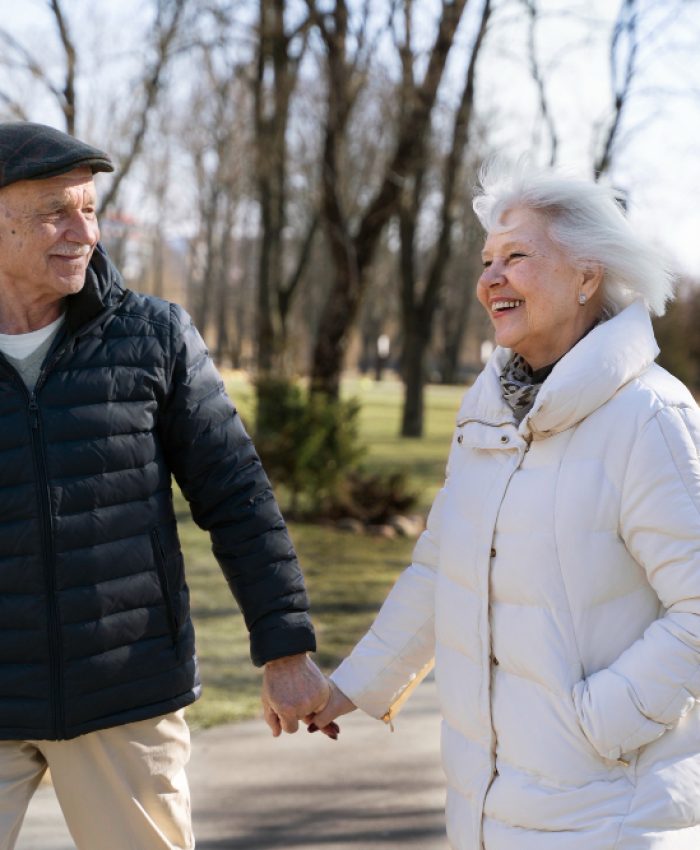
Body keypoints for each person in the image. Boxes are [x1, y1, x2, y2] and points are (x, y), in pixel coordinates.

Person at [309, 162, 700, 849]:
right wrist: (354, 685)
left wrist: (596, 722)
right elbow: (442, 568)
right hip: (488, 811)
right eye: (487, 259)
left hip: (610, 817)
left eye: (516, 256)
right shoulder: (486, 410)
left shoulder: (649, 416)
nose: (490, 277)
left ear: (588, 276)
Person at [0, 121, 330, 850]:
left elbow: (237, 494)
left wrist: (285, 649)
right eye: (57, 210)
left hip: (125, 692)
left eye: (89, 209)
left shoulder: (154, 335)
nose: (82, 231)